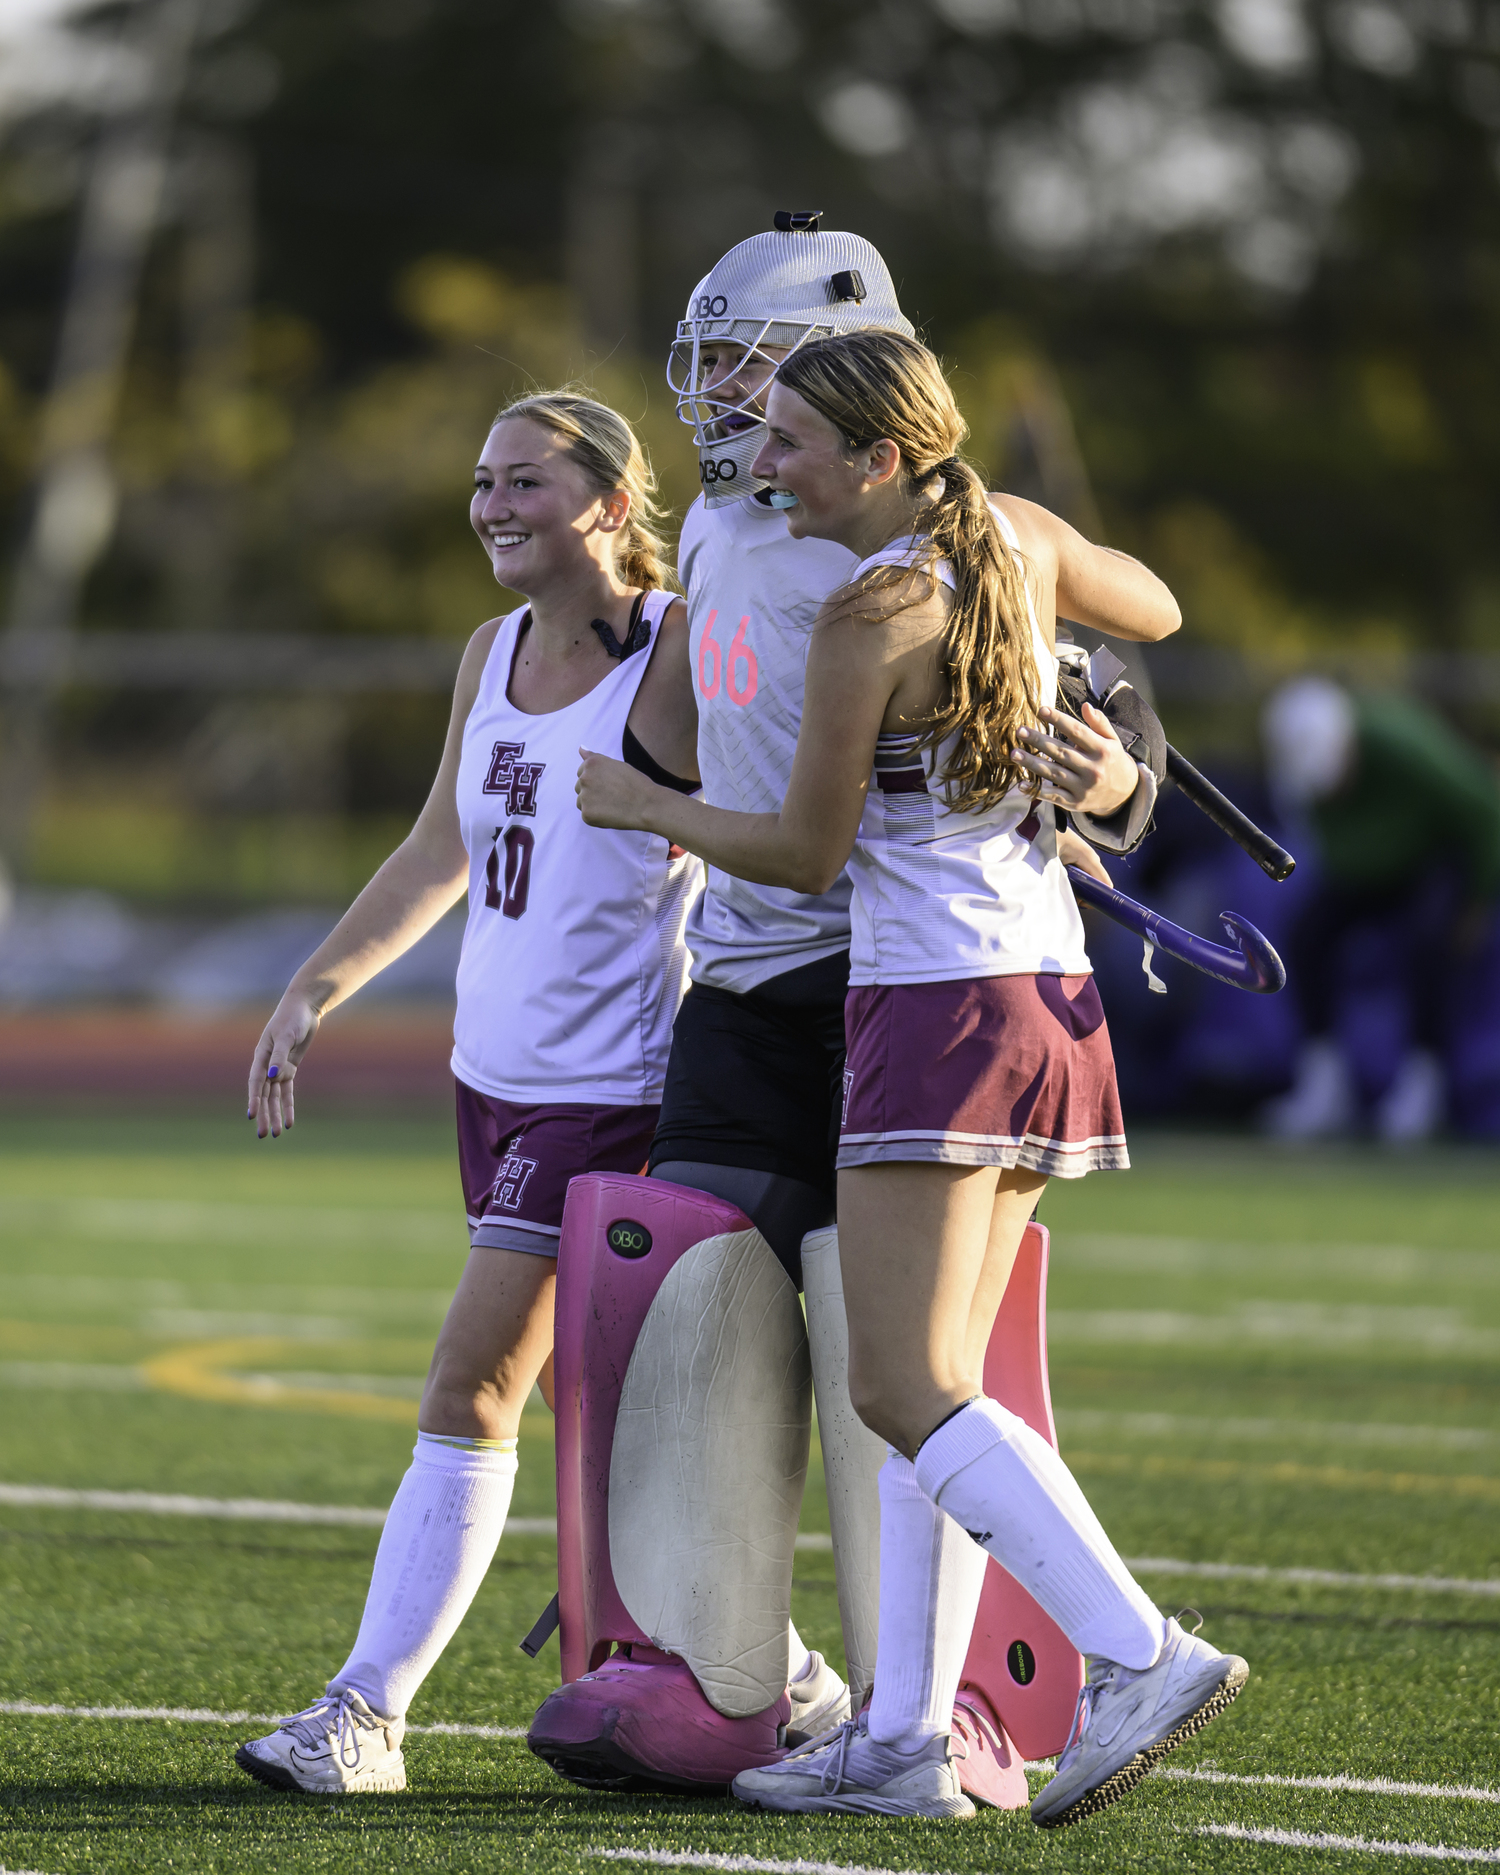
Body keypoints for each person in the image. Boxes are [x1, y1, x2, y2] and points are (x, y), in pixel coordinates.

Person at [530, 217, 1172, 1803]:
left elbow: (1118, 709)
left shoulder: (931, 548)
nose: (740, 408)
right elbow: (682, 733)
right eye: (731, 374)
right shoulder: (754, 533)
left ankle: (960, 1697)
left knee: (907, 1354)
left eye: (765, 376)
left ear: (867, 415)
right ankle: (709, 1659)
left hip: (904, 976)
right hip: (760, 975)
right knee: (695, 1300)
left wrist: (1124, 777)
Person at [232, 390, 705, 1794]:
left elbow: (773, 825)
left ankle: (367, 1711)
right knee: (579, 1405)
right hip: (491, 1080)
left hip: (607, 1089)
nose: (493, 505)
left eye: (526, 483)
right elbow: (443, 838)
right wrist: (318, 981)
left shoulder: (677, 648)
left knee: (472, 1378)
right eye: (484, 482)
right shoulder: (489, 649)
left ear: (612, 500)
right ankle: (776, 1674)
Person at [1261, 675, 1500, 1142]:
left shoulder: (1402, 743)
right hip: (1363, 874)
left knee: (1430, 941)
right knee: (1306, 936)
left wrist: (1477, 903)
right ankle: (1324, 1082)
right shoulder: (1300, 777)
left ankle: (1423, 1085)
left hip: (1433, 862)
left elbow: (1487, 813)